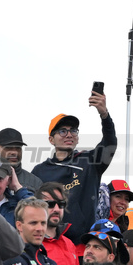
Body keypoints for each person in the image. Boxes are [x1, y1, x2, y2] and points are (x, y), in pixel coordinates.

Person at [32, 98, 116, 239]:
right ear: (51, 140)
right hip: (51, 242)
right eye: (62, 131)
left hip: (84, 244)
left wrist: (104, 115)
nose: (69, 134)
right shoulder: (39, 171)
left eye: (73, 131)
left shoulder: (90, 161)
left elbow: (110, 143)